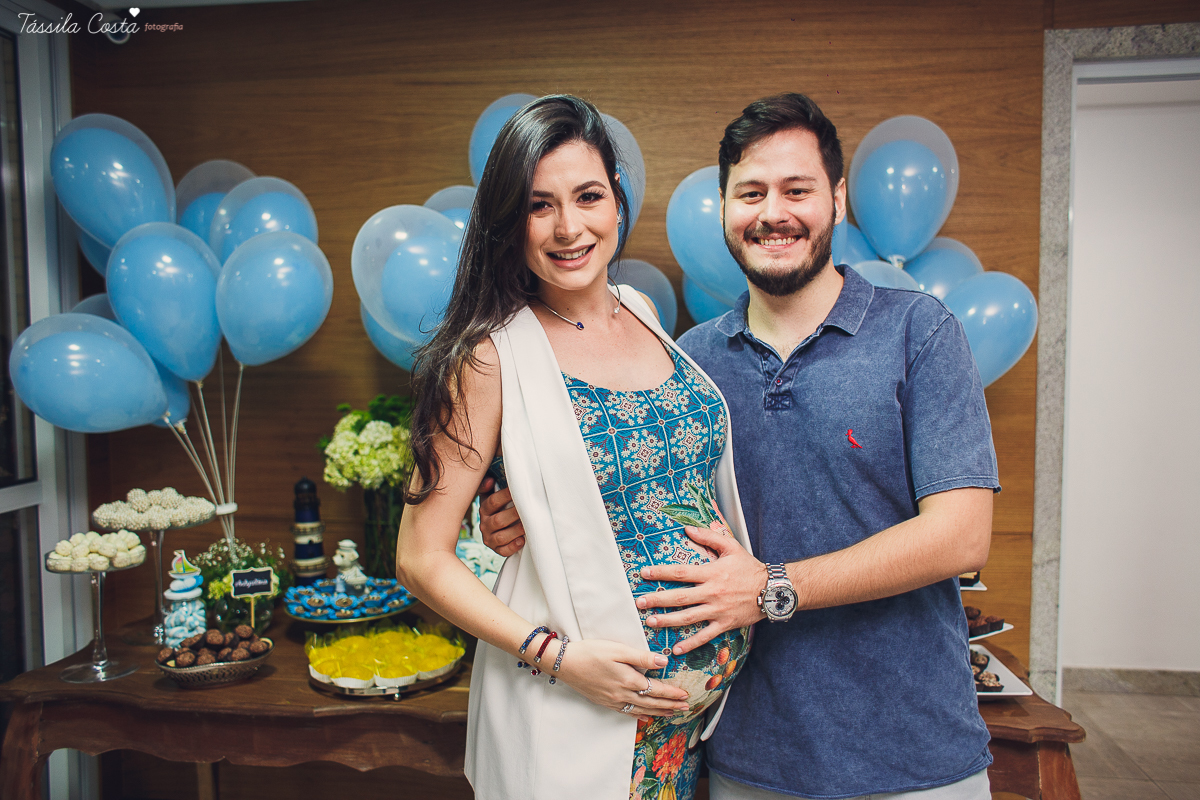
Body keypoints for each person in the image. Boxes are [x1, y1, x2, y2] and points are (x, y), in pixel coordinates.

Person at [481, 93, 1000, 800]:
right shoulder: (687, 363)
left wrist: (770, 588)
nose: (772, 213)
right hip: (746, 756)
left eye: (797, 190)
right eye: (750, 193)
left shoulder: (919, 332)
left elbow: (961, 536)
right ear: (723, 207)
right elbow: (623, 488)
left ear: (837, 200)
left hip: (913, 753)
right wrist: (521, 509)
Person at [395, 94, 753, 800]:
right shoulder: (488, 356)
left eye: (588, 196)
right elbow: (418, 557)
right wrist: (557, 657)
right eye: (539, 206)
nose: (568, 227)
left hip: (681, 736)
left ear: (617, 199)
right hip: (574, 717)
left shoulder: (640, 311)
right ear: (510, 221)